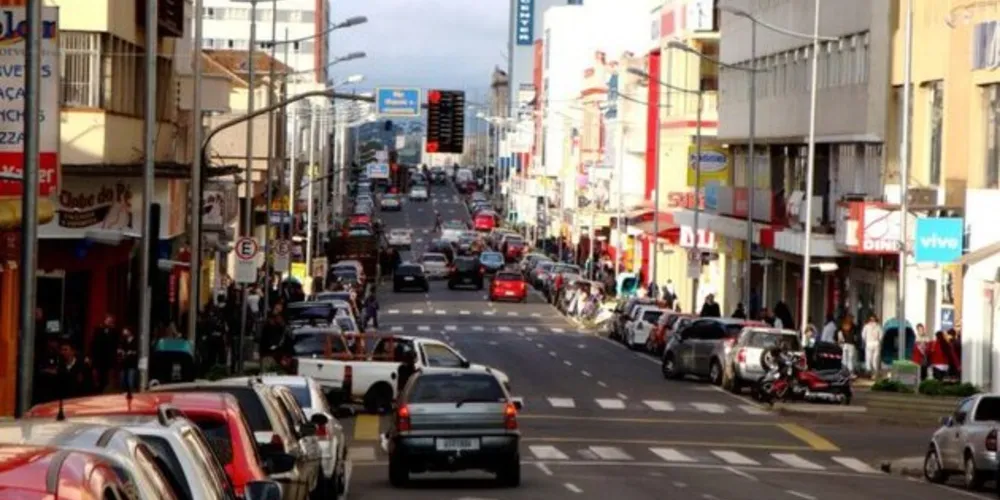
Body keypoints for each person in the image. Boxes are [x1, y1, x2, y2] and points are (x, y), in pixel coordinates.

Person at [91, 314, 119, 392]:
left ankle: (104, 388)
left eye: (111, 321)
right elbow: (94, 344)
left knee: (106, 378)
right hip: (99, 358)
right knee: (98, 377)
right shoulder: (98, 330)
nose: (110, 322)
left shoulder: (114, 332)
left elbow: (115, 344)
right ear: (105, 320)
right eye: (108, 321)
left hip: (108, 359)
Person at [117, 327, 139, 392]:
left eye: (125, 331)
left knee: (130, 380)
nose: (124, 333)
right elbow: (120, 349)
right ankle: (123, 392)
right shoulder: (123, 340)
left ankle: (131, 393)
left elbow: (137, 351)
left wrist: (131, 352)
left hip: (132, 363)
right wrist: (120, 351)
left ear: (129, 331)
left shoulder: (135, 340)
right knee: (122, 379)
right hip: (124, 363)